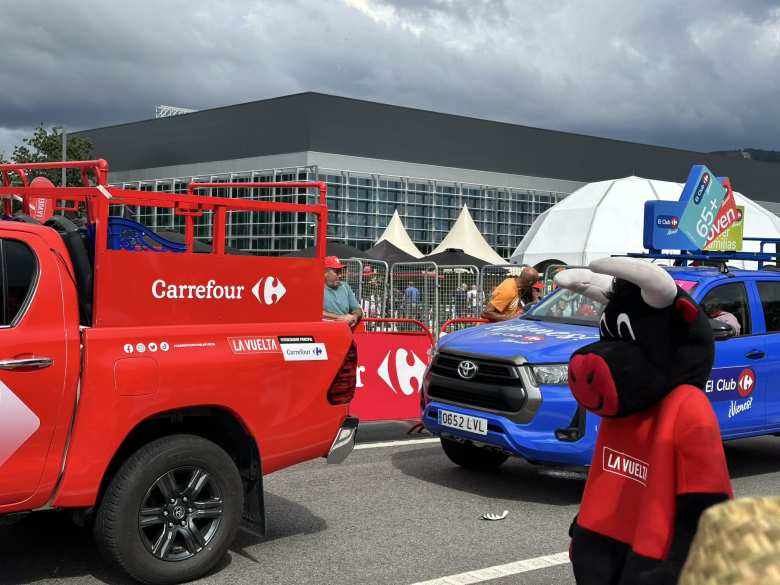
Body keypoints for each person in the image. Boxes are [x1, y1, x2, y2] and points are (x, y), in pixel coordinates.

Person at [322, 256, 363, 328]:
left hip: (345, 331)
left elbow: (357, 309)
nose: (340, 275)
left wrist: (354, 317)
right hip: (326, 330)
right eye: (337, 272)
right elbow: (314, 313)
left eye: (340, 271)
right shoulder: (315, 289)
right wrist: (340, 317)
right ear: (325, 273)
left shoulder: (345, 286)